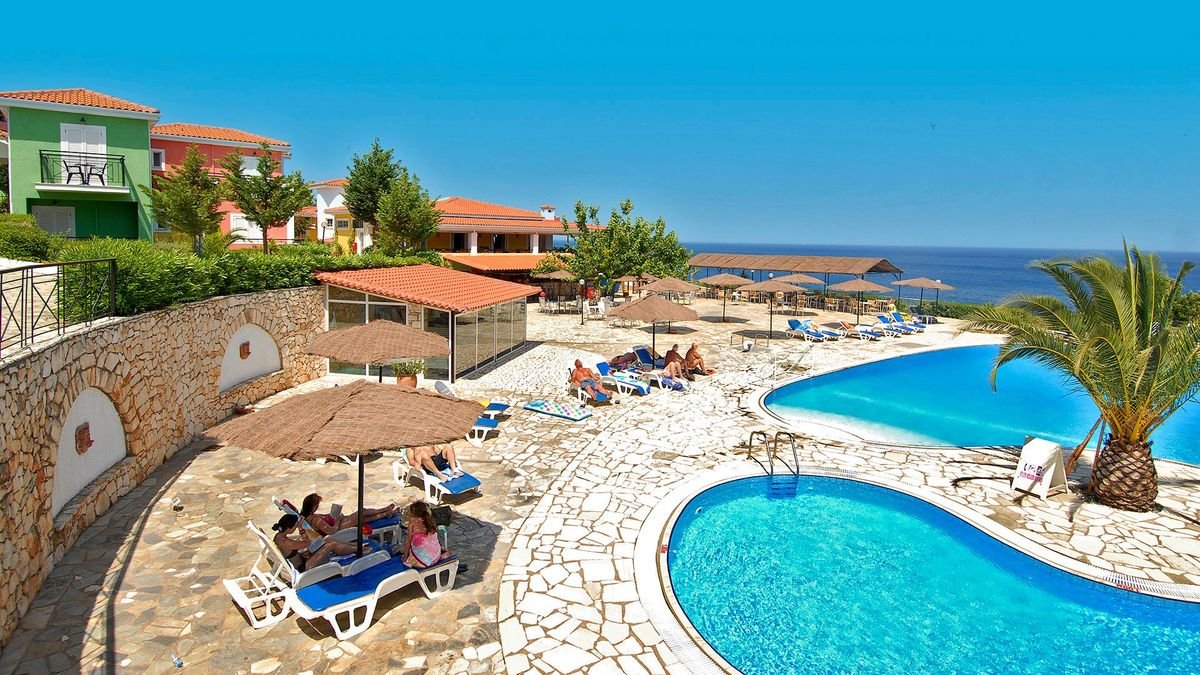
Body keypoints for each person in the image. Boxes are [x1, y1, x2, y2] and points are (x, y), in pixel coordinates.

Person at [272, 514, 356, 571]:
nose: (296, 527)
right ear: (288, 529)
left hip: (301, 560)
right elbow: (308, 542)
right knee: (331, 545)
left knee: (326, 540)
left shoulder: (278, 537)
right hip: (304, 567)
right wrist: (300, 527)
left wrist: (301, 554)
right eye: (295, 526)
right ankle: (357, 549)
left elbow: (290, 552)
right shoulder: (287, 543)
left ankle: (356, 546)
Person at [300, 493, 396, 537]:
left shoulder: (310, 516)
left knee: (362, 518)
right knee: (361, 512)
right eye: (317, 505)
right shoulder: (315, 520)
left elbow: (325, 518)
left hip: (338, 524)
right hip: (339, 529)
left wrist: (333, 514)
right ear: (313, 506)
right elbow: (331, 531)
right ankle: (385, 510)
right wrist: (337, 520)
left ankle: (386, 512)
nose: (318, 506)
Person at [402, 501, 453, 569]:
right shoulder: (431, 521)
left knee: (413, 549)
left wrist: (405, 557)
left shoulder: (412, 524)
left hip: (421, 562)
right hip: (436, 557)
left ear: (413, 513)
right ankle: (441, 554)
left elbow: (408, 542)